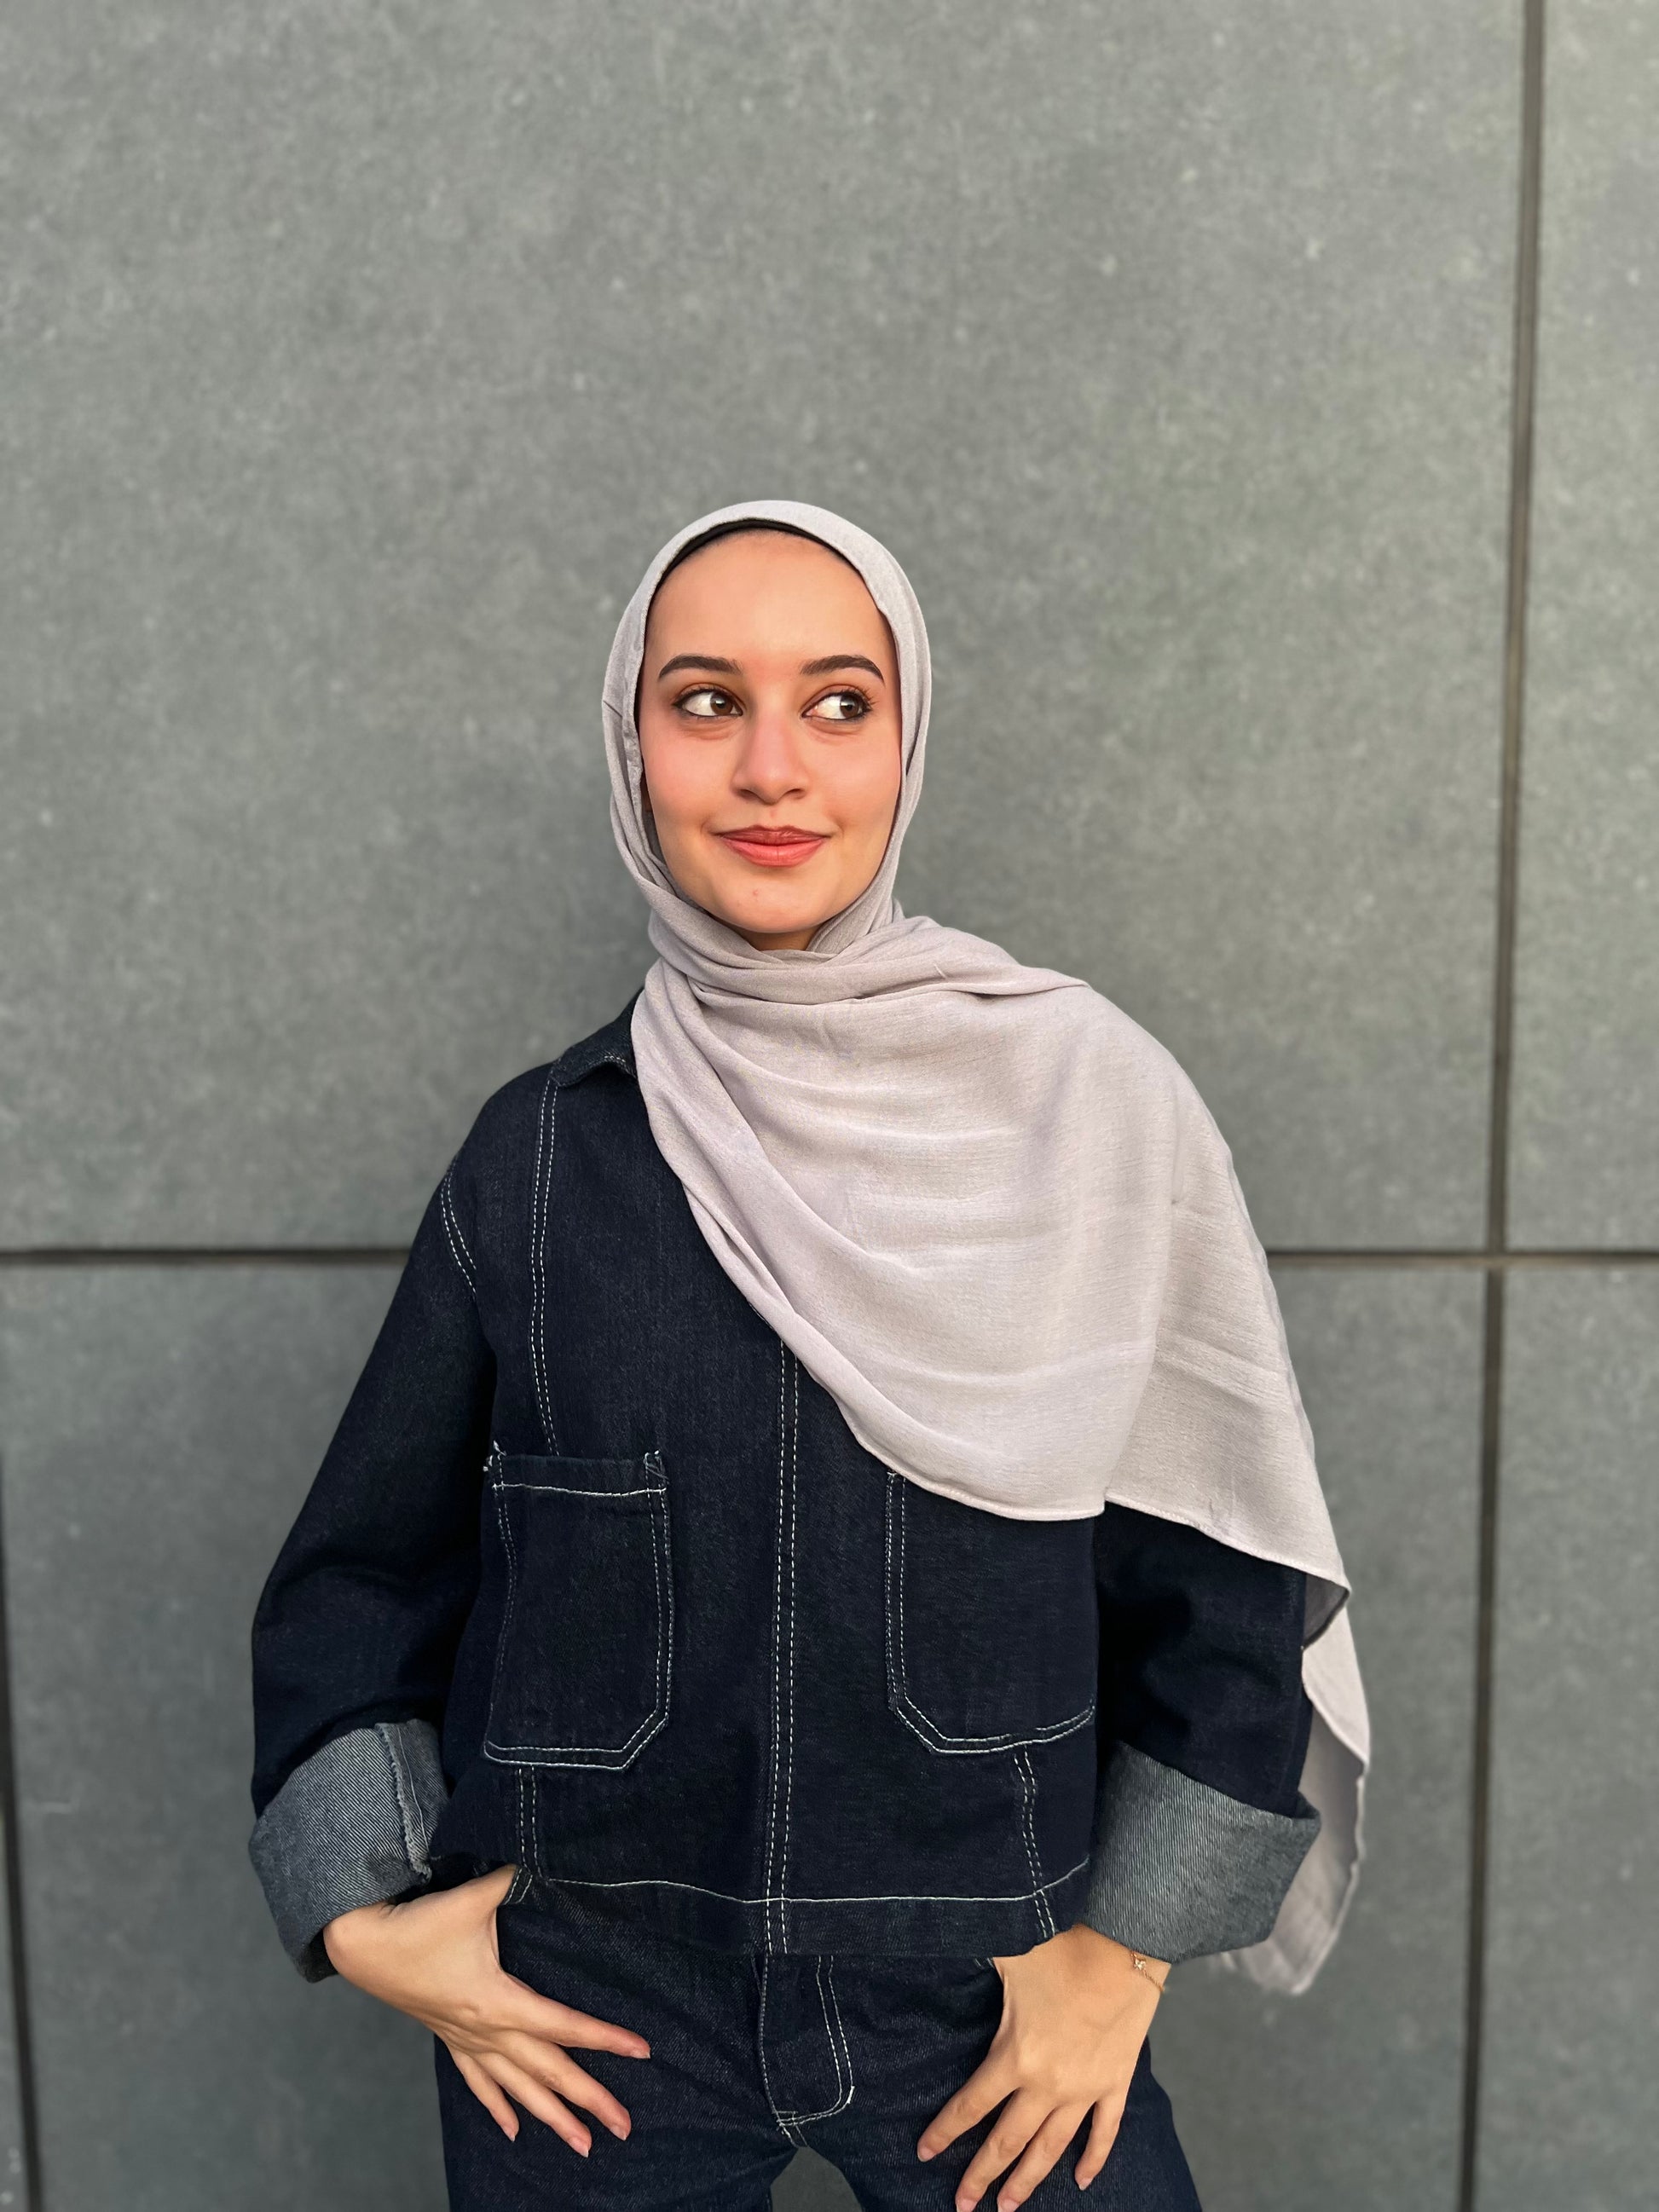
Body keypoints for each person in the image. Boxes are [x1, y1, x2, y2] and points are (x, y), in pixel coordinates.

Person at [248, 501, 1368, 2212]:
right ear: (629, 743)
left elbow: (1223, 1574)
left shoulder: (1089, 1111)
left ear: (905, 742)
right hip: (592, 2004)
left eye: (838, 702)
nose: (772, 766)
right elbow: (359, 1575)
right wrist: (363, 1907)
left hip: (989, 1989)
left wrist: (1125, 1955)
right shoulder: (539, 1159)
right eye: (705, 701)